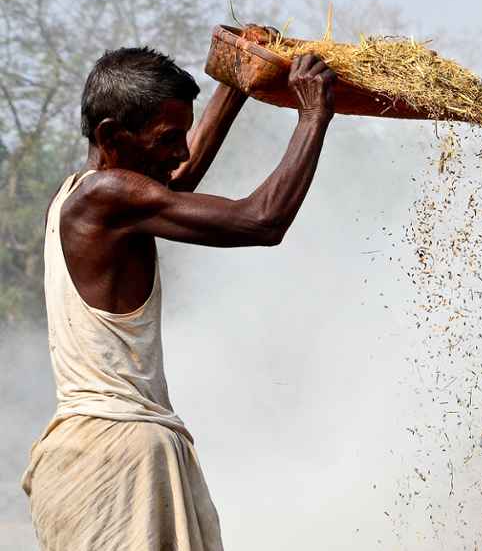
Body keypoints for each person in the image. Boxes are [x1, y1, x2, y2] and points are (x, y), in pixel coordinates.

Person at [20, 46, 337, 550]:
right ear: (111, 137)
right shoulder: (105, 196)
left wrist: (235, 84)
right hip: (118, 455)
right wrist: (315, 115)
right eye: (168, 139)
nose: (182, 152)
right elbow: (262, 220)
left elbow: (177, 185)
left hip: (95, 452)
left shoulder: (82, 195)